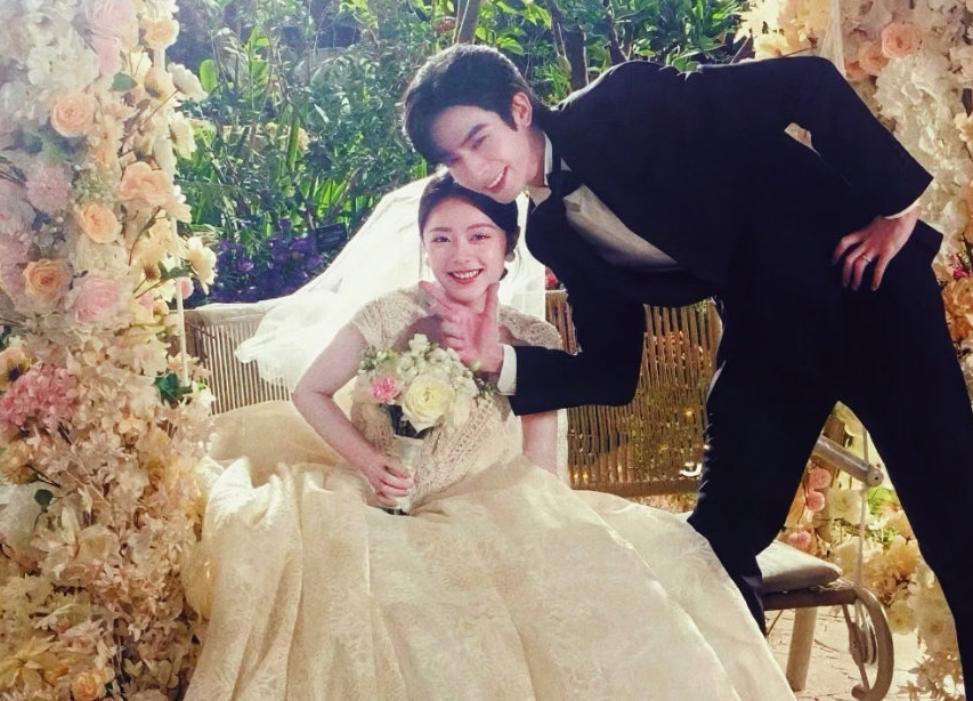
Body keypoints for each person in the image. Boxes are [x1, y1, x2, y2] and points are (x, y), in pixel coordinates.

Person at [403, 44, 973, 681]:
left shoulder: (625, 102)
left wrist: (894, 208)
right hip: (770, 340)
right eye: (453, 159)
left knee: (958, 526)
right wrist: (498, 361)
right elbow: (612, 371)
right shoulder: (552, 233)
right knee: (717, 545)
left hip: (867, 292)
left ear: (518, 108)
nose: (474, 168)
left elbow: (805, 82)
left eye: (478, 140)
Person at [184, 173, 796, 700]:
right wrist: (368, 461)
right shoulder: (388, 314)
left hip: (483, 507)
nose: (461, 254)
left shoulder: (531, 339)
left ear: (507, 247)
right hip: (367, 502)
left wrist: (556, 538)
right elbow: (310, 392)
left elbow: (540, 465)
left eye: (479, 236)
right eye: (441, 238)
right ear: (424, 246)